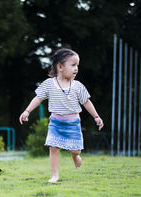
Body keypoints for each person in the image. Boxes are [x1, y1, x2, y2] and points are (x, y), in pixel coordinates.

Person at [19, 48, 104, 183]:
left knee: (75, 150)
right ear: (60, 67)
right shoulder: (49, 84)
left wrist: (96, 117)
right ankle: (55, 175)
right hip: (56, 122)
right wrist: (27, 111)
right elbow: (38, 98)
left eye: (77, 65)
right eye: (73, 65)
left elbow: (87, 102)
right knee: (54, 148)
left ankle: (75, 157)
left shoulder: (78, 86)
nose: (76, 68)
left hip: (73, 123)